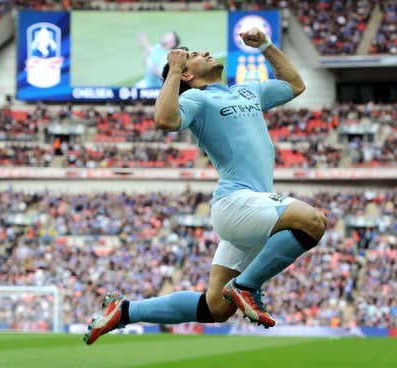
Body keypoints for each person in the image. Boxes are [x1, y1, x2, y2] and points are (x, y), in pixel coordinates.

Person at [85, 28, 327, 345]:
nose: (205, 53)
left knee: (216, 308)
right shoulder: (197, 98)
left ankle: (126, 310)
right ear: (186, 74)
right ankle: (247, 286)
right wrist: (171, 69)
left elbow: (295, 85)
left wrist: (267, 46)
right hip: (236, 203)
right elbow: (166, 121)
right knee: (313, 221)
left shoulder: (246, 91)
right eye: (195, 55)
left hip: (253, 208)